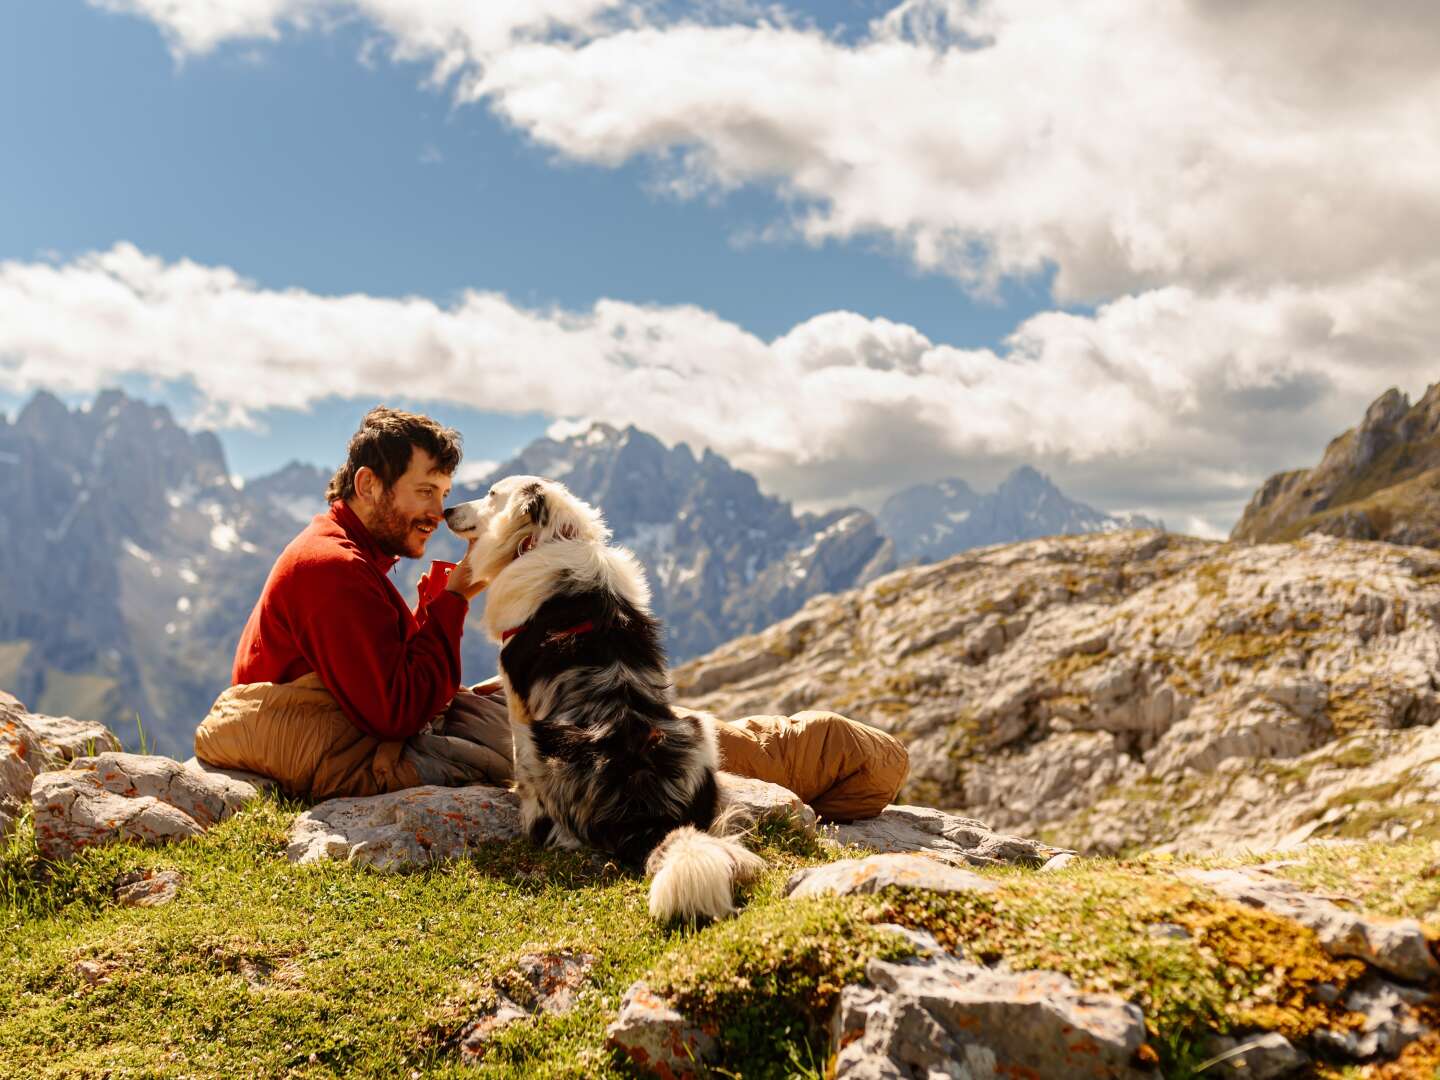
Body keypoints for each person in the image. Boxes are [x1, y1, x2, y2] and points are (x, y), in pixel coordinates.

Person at [195, 405, 908, 818]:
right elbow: (393, 714)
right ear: (366, 484)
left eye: (444, 491)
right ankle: (833, 754)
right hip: (384, 741)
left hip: (382, 731)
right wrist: (452, 601)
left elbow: (385, 683)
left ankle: (830, 755)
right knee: (616, 744)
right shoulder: (334, 570)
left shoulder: (344, 558)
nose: (438, 513)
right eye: (422, 492)